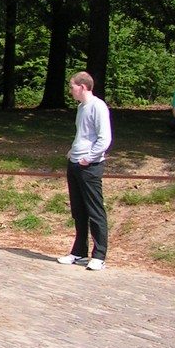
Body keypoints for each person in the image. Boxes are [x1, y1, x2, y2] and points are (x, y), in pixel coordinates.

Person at [58, 71, 113, 271]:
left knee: (95, 209)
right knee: (78, 210)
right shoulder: (81, 108)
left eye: (72, 87)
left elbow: (104, 138)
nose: (70, 90)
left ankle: (99, 255)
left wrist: (88, 158)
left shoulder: (97, 106)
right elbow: (83, 135)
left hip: (89, 166)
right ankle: (79, 252)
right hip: (75, 162)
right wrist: (73, 151)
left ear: (82, 87)